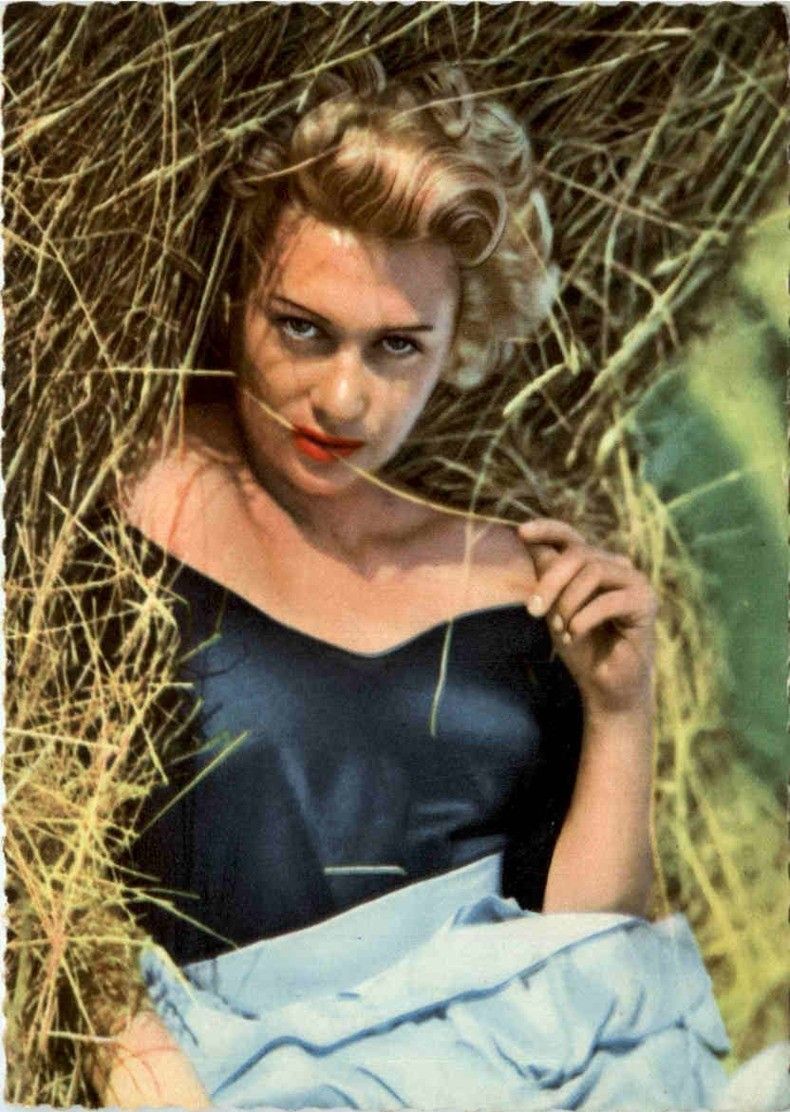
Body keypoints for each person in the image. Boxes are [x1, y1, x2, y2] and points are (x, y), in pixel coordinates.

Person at [92, 62, 736, 1111]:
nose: (343, 398)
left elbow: (588, 963)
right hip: (255, 1074)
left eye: (397, 347)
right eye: (301, 327)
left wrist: (623, 710)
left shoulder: (523, 576)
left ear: (459, 344)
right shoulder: (130, 499)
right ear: (237, 296)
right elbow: (54, 889)